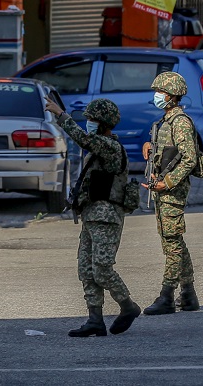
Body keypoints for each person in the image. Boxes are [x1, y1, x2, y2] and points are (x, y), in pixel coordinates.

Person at [45, 96, 141, 337]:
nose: (87, 123)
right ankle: (95, 319)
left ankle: (128, 306)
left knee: (102, 269)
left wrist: (61, 114)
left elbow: (84, 139)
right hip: (91, 215)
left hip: (106, 217)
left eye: (91, 119)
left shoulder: (109, 146)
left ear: (102, 123)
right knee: (86, 269)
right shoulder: (99, 146)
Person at [140, 71, 200, 315]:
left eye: (161, 92)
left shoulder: (180, 122)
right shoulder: (165, 121)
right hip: (162, 188)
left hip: (172, 191)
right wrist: (149, 146)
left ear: (172, 96)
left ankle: (166, 296)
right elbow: (168, 151)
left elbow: (189, 158)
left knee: (172, 244)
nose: (157, 96)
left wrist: (168, 182)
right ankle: (188, 295)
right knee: (172, 241)